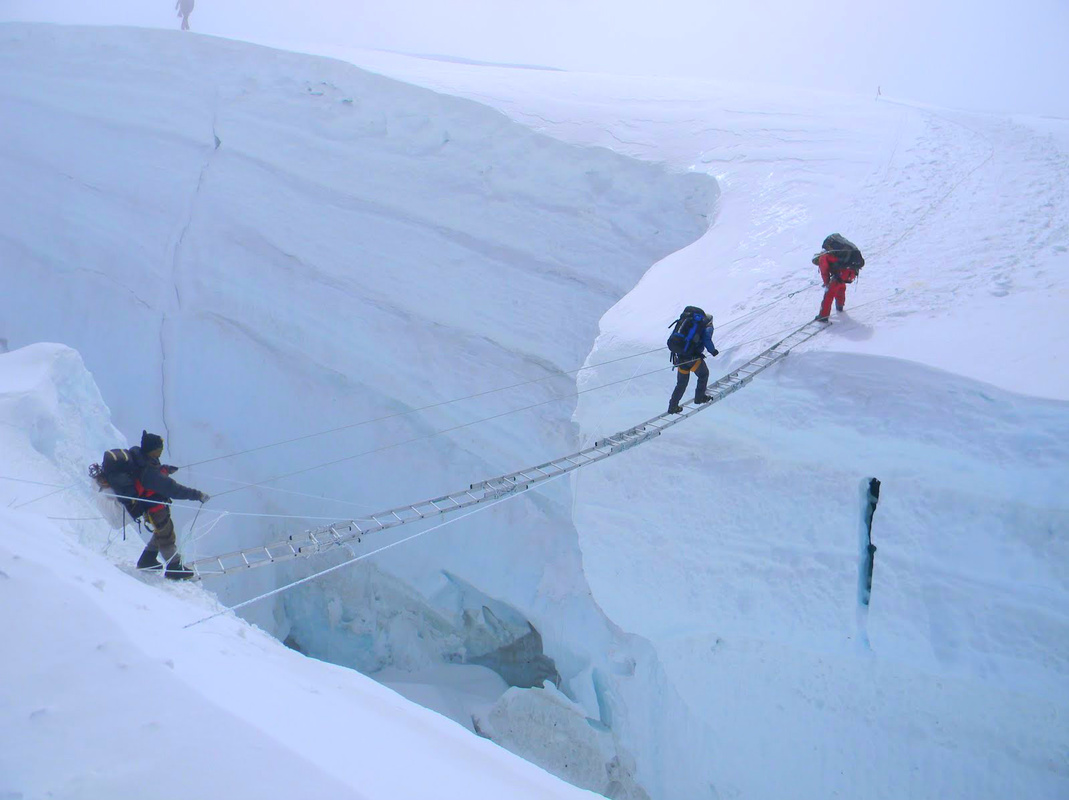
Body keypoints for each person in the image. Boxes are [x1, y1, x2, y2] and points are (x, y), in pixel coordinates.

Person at [95, 431, 209, 579]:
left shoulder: (141, 458)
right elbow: (174, 490)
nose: (160, 452)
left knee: (161, 531)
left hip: (150, 504)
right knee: (167, 535)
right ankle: (174, 568)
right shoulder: (150, 474)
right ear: (152, 450)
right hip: (154, 507)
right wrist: (198, 495)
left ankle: (147, 560)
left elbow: (151, 473)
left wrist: (165, 469)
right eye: (158, 449)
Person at [666, 307, 719, 414]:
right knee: (703, 375)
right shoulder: (705, 327)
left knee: (681, 383)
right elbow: (707, 339)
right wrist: (713, 351)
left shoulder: (686, 324)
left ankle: (672, 406)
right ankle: (699, 398)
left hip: (680, 357)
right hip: (692, 358)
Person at [814, 233, 865, 322]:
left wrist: (826, 283)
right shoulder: (835, 253)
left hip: (842, 273)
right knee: (840, 285)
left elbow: (824, 272)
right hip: (851, 272)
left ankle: (823, 316)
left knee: (829, 293)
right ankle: (840, 306)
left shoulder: (823, 257)